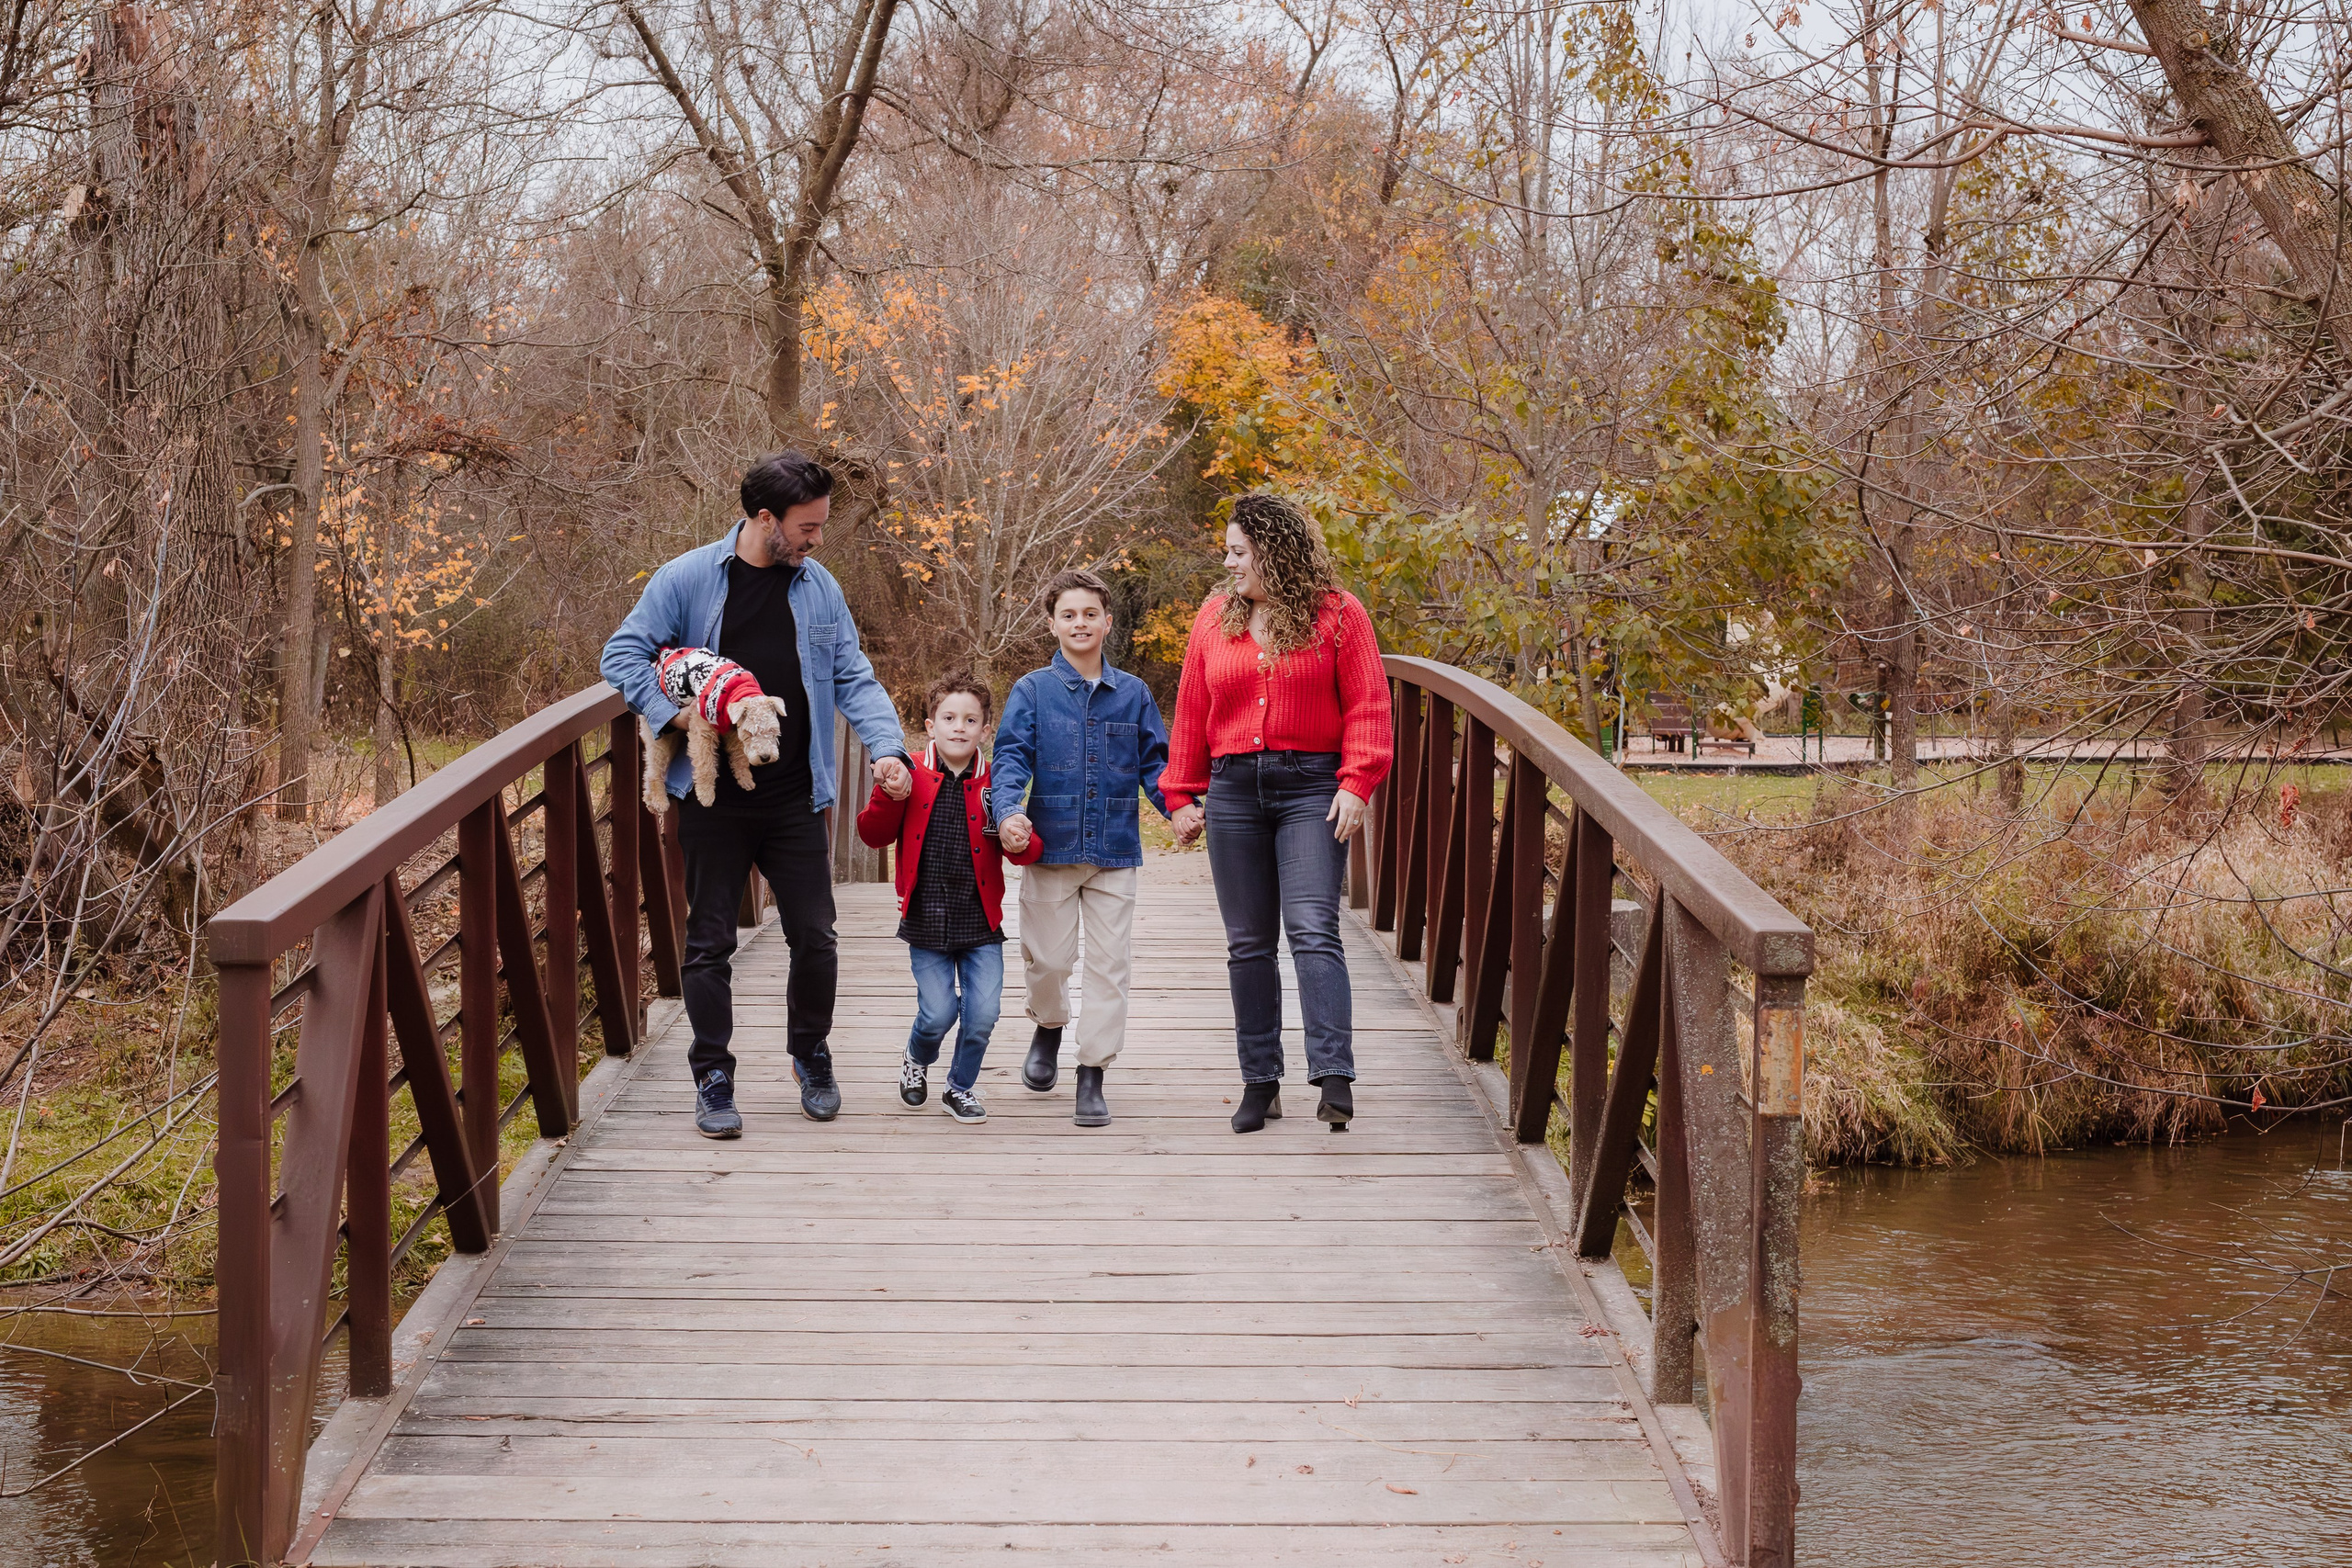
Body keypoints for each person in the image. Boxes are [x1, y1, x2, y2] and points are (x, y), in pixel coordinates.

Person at [600, 451, 912, 1140]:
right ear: (765, 519)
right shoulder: (686, 579)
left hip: (795, 794)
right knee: (709, 943)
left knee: (817, 937)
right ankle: (713, 1076)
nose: (817, 539)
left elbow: (854, 676)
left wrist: (888, 748)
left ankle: (811, 1054)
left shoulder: (819, 587)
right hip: (711, 799)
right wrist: (676, 714)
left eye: (822, 525)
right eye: (807, 526)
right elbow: (621, 655)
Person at [1161, 494, 1392, 1134]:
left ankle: (1334, 1075)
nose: (1229, 562)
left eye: (1239, 551)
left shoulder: (1340, 616)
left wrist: (1358, 781)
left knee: (1313, 924)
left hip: (1312, 788)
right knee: (1248, 943)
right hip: (1235, 791)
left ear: (1274, 550)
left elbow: (1370, 704)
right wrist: (1180, 794)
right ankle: (1260, 1081)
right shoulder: (1214, 619)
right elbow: (1189, 712)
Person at [992, 569, 1172, 1128]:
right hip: (1050, 849)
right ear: (1052, 623)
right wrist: (1007, 812)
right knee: (1047, 961)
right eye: (1068, 614)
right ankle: (1048, 1025)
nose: (1080, 623)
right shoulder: (1032, 690)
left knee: (1109, 967)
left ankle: (1091, 1072)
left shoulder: (1134, 693)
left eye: (1090, 613)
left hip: (1114, 850)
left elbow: (1156, 765)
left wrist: (1181, 807)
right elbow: (1010, 757)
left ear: (1107, 622)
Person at [854, 673, 1044, 1123]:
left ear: (985, 729)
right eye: (949, 717)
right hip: (925, 918)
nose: (959, 727)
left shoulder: (998, 783)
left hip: (980, 922)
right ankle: (917, 1058)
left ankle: (959, 1087)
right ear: (930, 724)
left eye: (971, 719)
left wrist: (1020, 839)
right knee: (938, 1013)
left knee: (983, 1014)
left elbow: (1027, 850)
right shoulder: (910, 775)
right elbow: (872, 834)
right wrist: (886, 792)